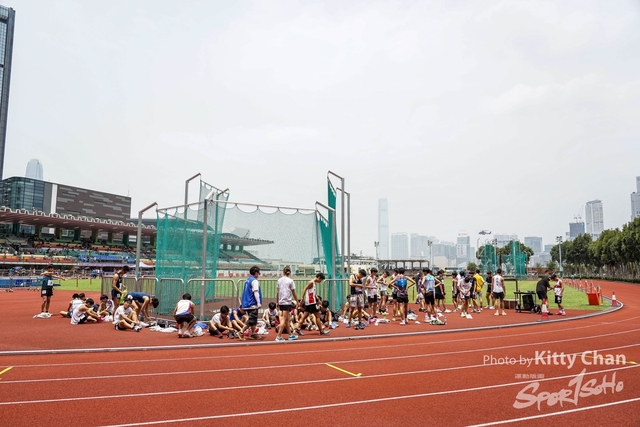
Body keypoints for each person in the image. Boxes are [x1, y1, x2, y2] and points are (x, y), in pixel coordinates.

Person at [238, 266, 263, 341]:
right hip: (252, 303)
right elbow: (256, 292)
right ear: (256, 273)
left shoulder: (247, 280)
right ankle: (241, 332)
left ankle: (253, 334)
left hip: (247, 303)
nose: (258, 275)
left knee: (254, 320)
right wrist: (258, 303)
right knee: (251, 320)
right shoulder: (254, 281)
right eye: (258, 273)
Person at [275, 266, 299, 342]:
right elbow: (293, 292)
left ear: (283, 272)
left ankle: (290, 335)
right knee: (284, 319)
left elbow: (278, 292)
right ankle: (278, 336)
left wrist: (277, 302)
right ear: (290, 272)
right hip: (287, 302)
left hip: (281, 302)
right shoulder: (291, 281)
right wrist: (297, 301)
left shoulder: (279, 280)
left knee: (287, 319)